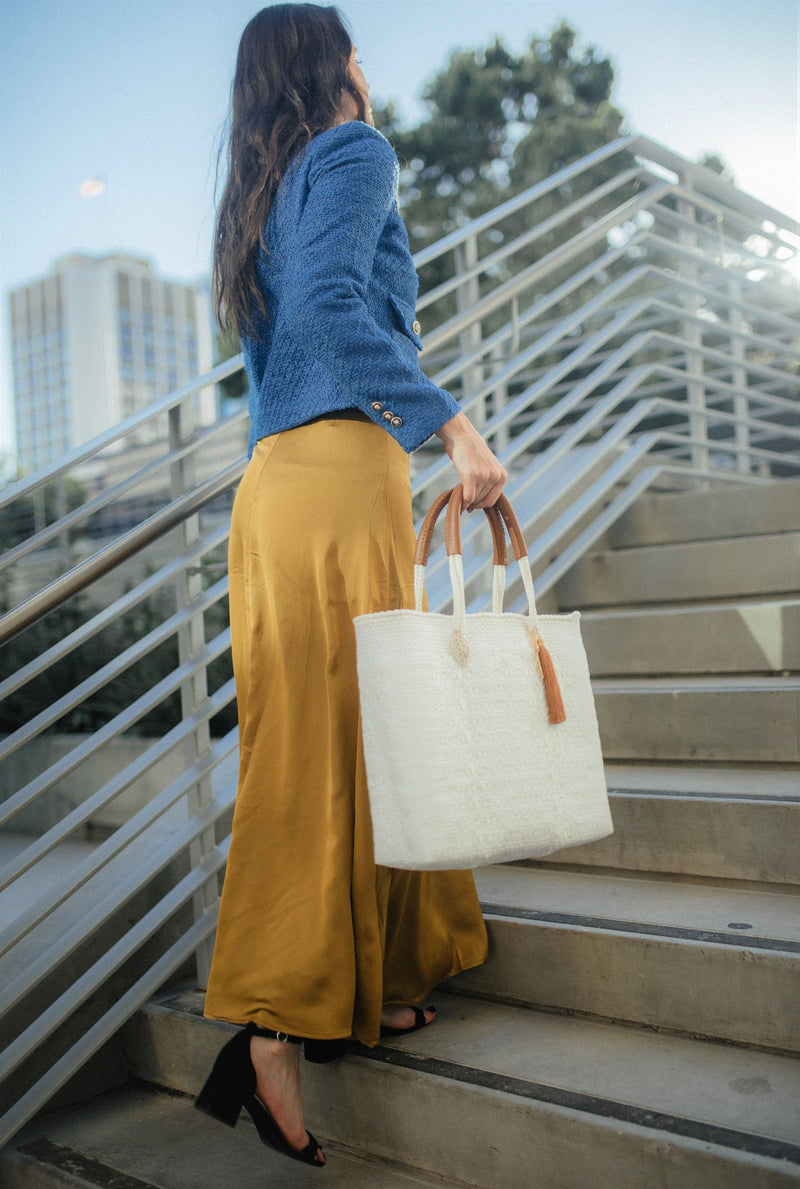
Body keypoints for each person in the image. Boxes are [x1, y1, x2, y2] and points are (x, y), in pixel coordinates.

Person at [194, 2, 507, 1169]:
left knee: (344, 733)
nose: (370, 65)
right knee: (336, 741)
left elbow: (293, 330)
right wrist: (454, 428)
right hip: (335, 476)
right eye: (356, 45)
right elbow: (333, 311)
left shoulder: (258, 194)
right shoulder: (353, 150)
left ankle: (357, 989)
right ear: (331, 65)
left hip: (279, 486)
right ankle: (273, 1027)